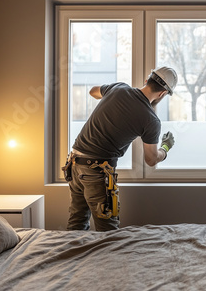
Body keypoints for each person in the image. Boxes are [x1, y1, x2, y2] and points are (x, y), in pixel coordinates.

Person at [66, 66, 178, 231]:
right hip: (96, 171)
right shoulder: (150, 119)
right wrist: (166, 147)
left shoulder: (119, 88)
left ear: (147, 80)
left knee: (77, 223)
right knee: (109, 230)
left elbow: (93, 91)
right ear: (162, 93)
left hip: (74, 163)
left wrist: (111, 100)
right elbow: (151, 159)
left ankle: (71, 255)